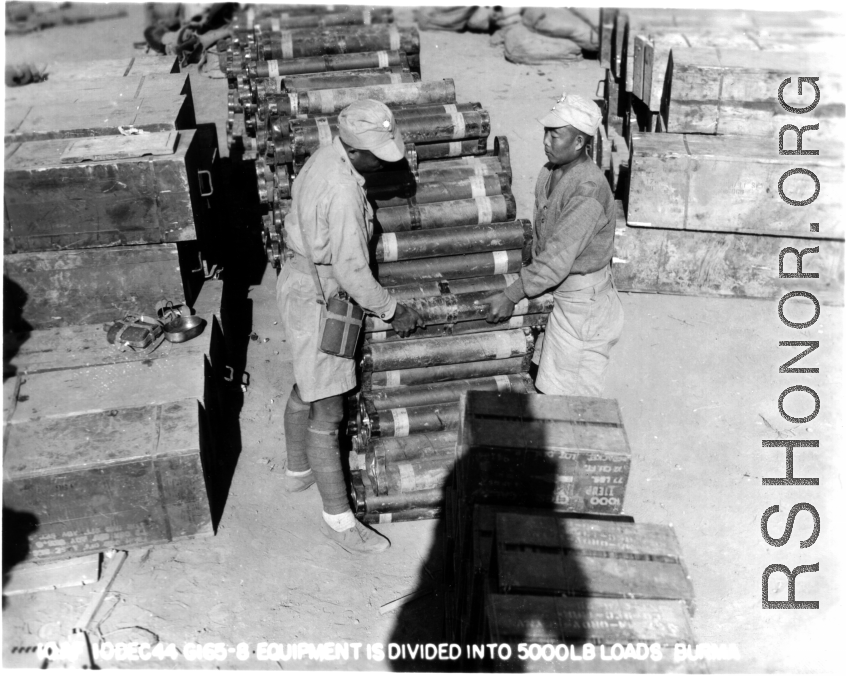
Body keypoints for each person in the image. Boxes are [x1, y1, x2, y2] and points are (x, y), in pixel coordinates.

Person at [277, 100, 424, 555]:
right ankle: (338, 520)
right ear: (355, 150)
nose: (381, 161)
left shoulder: (325, 154)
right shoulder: (343, 190)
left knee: (310, 380)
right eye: (376, 153)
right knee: (330, 409)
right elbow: (354, 272)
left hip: (300, 280)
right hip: (319, 294)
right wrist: (393, 309)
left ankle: (298, 470)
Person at [486, 93, 624, 397]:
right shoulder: (550, 171)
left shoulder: (587, 190)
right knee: (546, 380)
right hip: (558, 292)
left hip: (581, 306)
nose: (546, 140)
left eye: (556, 134)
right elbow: (545, 235)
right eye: (546, 131)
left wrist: (511, 294)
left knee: (570, 400)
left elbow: (557, 258)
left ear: (578, 142)